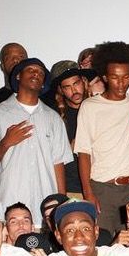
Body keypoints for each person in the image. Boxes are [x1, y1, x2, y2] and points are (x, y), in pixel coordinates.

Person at [0, 58, 72, 226]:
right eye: (31, 70)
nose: (36, 74)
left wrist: (61, 202)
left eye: (41, 73)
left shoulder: (53, 118)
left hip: (44, 206)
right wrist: (6, 142)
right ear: (18, 76)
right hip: (8, 202)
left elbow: (58, 163)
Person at [75, 41, 129, 235]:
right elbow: (84, 153)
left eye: (126, 77)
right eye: (114, 77)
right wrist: (88, 193)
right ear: (105, 76)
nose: (121, 83)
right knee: (104, 245)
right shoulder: (90, 106)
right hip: (103, 189)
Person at [50, 60, 95, 196]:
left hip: (101, 186)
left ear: (84, 81)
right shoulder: (55, 117)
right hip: (70, 190)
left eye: (76, 83)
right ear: (61, 90)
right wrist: (69, 149)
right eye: (67, 87)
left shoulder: (98, 109)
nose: (74, 91)